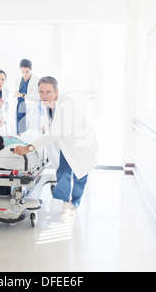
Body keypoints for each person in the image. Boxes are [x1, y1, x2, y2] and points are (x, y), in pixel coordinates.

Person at [13, 76, 98, 220]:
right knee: (64, 171)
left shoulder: (66, 105)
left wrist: (30, 147)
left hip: (82, 143)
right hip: (67, 143)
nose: (44, 96)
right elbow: (54, 125)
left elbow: (56, 131)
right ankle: (66, 203)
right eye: (41, 92)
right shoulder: (49, 104)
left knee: (80, 176)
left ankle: (75, 203)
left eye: (48, 92)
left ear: (56, 92)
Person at [13, 59, 40, 135]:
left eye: (27, 71)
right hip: (19, 107)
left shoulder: (37, 80)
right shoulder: (17, 80)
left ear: (31, 69)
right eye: (22, 72)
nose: (25, 74)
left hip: (30, 109)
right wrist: (15, 95)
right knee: (18, 133)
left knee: (29, 134)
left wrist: (23, 95)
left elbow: (38, 97)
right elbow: (17, 94)